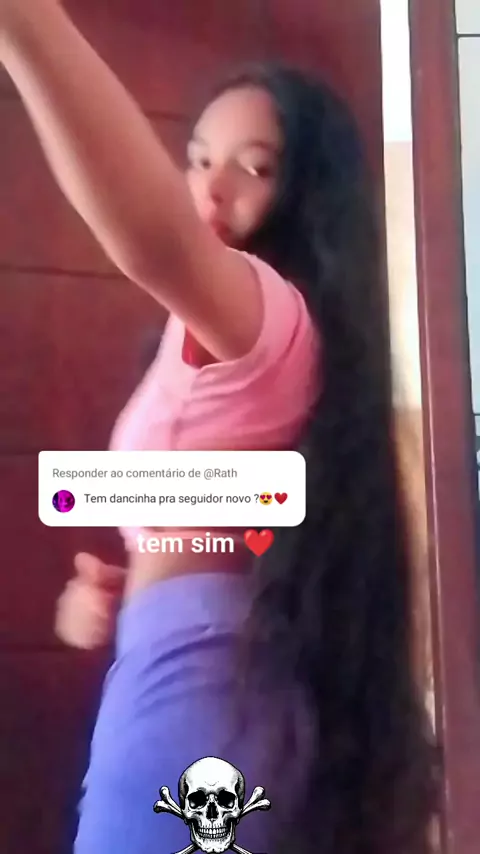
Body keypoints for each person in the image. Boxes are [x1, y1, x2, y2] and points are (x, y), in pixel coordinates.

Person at [1, 2, 439, 853]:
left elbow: (153, 239)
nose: (211, 186)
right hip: (202, 664)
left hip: (201, 687)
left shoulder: (271, 315)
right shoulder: (225, 340)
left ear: (307, 197)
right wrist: (134, 582)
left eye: (254, 167)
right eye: (198, 158)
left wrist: (27, 24)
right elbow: (251, 520)